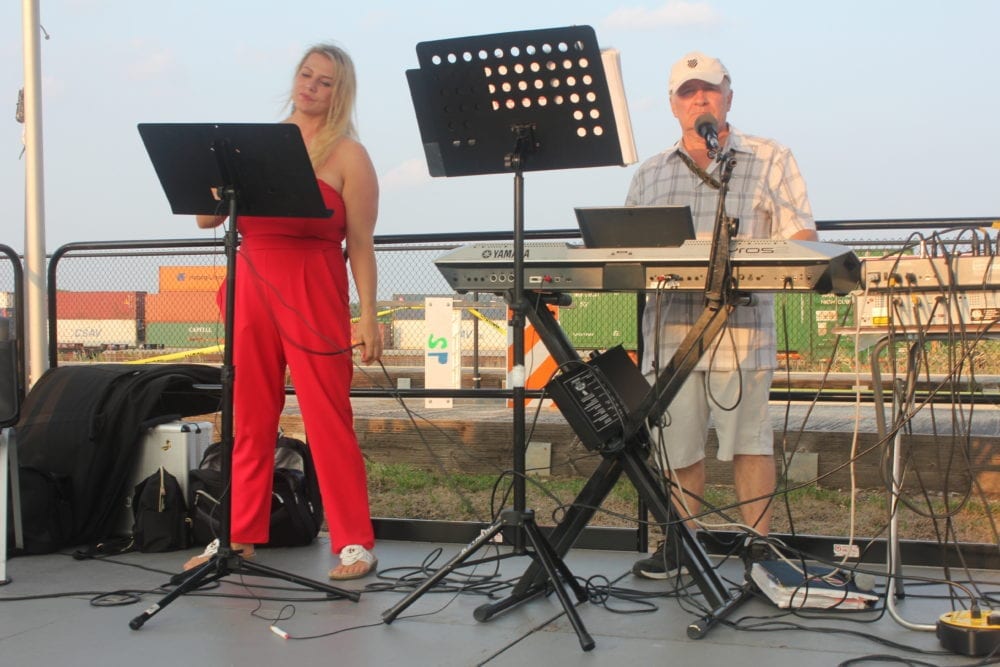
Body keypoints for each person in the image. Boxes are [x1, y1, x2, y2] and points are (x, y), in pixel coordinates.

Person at [185, 43, 382, 580]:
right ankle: (239, 533)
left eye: (324, 81)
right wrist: (218, 173)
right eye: (305, 74)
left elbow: (361, 242)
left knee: (328, 415)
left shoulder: (349, 155)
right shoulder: (252, 145)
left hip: (314, 284)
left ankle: (354, 541)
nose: (310, 86)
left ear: (340, 93)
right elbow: (205, 219)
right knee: (248, 415)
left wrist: (367, 315)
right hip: (250, 283)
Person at [626, 52, 818, 579]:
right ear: (672, 105)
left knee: (750, 443)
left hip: (742, 332)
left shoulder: (769, 157)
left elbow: (801, 234)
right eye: (687, 92)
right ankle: (681, 545)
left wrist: (759, 259)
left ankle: (760, 547)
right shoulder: (650, 173)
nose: (699, 100)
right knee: (678, 445)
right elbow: (626, 250)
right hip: (670, 335)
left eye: (708, 89)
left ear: (728, 97)